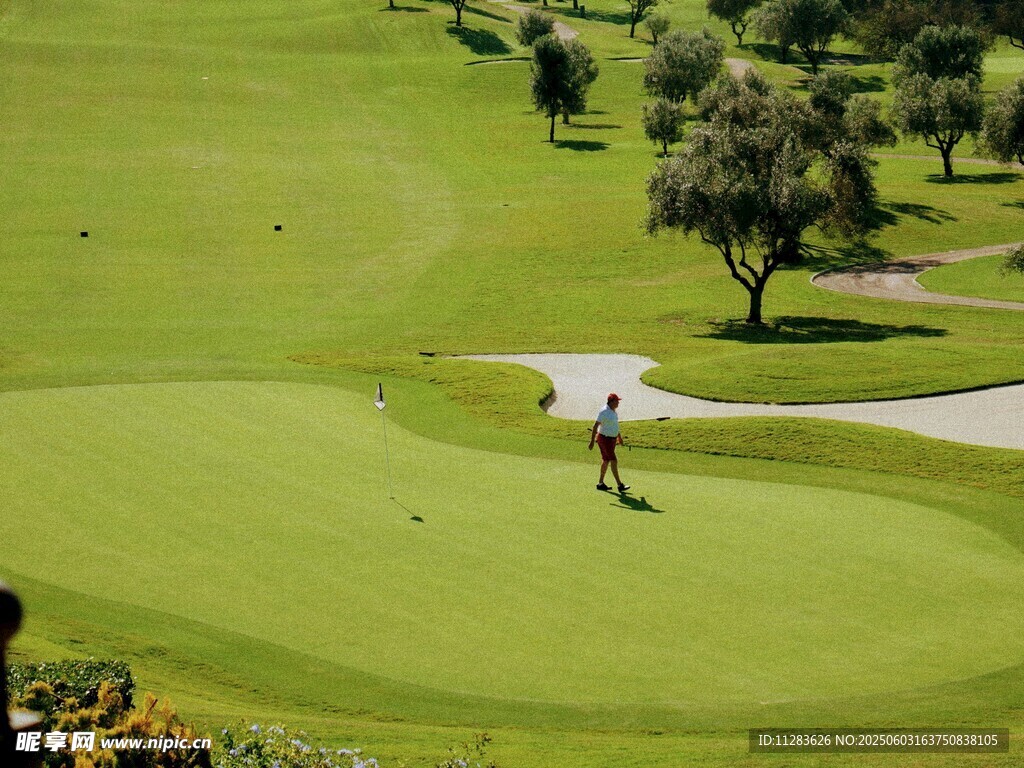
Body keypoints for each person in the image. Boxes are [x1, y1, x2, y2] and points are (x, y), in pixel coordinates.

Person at [588, 393, 630, 492]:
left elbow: (615, 425)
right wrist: (592, 441)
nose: (618, 403)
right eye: (617, 401)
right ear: (611, 401)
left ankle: (600, 483)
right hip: (605, 439)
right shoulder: (604, 411)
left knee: (606, 460)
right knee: (613, 460)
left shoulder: (613, 411)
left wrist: (619, 437)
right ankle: (619, 485)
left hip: (612, 440)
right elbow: (595, 426)